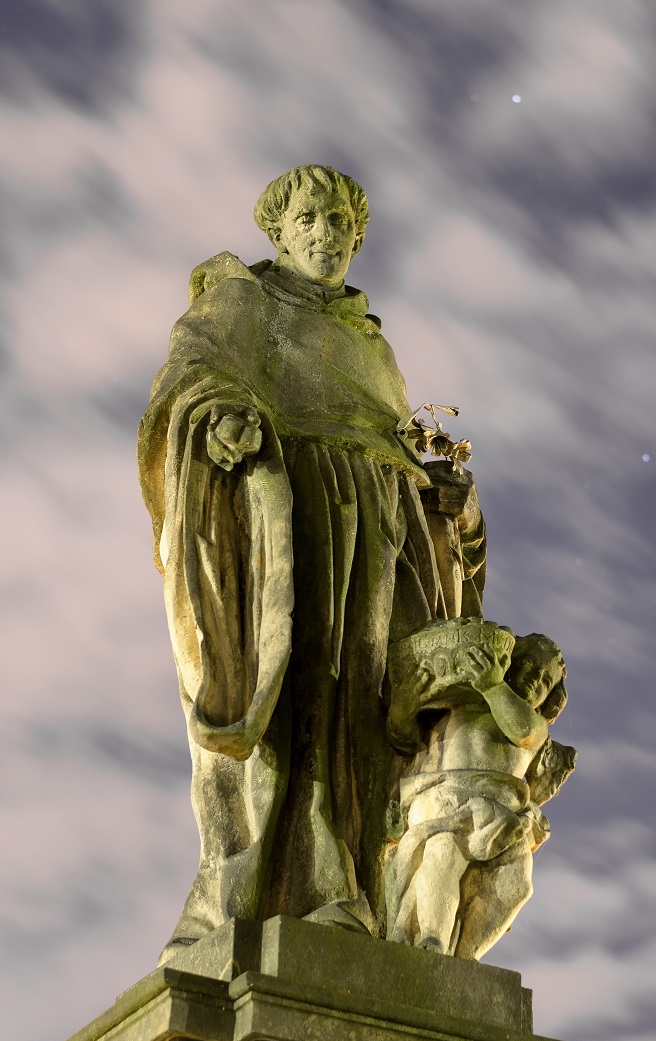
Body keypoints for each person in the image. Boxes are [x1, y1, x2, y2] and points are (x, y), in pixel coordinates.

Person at [137, 165, 486, 960]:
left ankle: (369, 894)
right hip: (295, 510)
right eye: (309, 219)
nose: (326, 233)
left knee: (379, 711)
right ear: (280, 230)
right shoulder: (243, 302)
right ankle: (295, 889)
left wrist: (447, 500)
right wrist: (219, 414)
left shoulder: (372, 338)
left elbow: (397, 439)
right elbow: (191, 373)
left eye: (340, 223)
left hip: (387, 530)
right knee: (297, 701)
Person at [384, 632, 575, 960]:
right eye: (528, 665)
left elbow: (521, 729)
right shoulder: (466, 700)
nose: (534, 679)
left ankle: (466, 957)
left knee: (518, 884)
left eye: (545, 680)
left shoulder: (534, 726)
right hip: (448, 797)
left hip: (505, 811)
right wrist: (404, 706)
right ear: (509, 663)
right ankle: (432, 940)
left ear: (551, 696)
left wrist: (492, 686)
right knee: (443, 851)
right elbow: (404, 739)